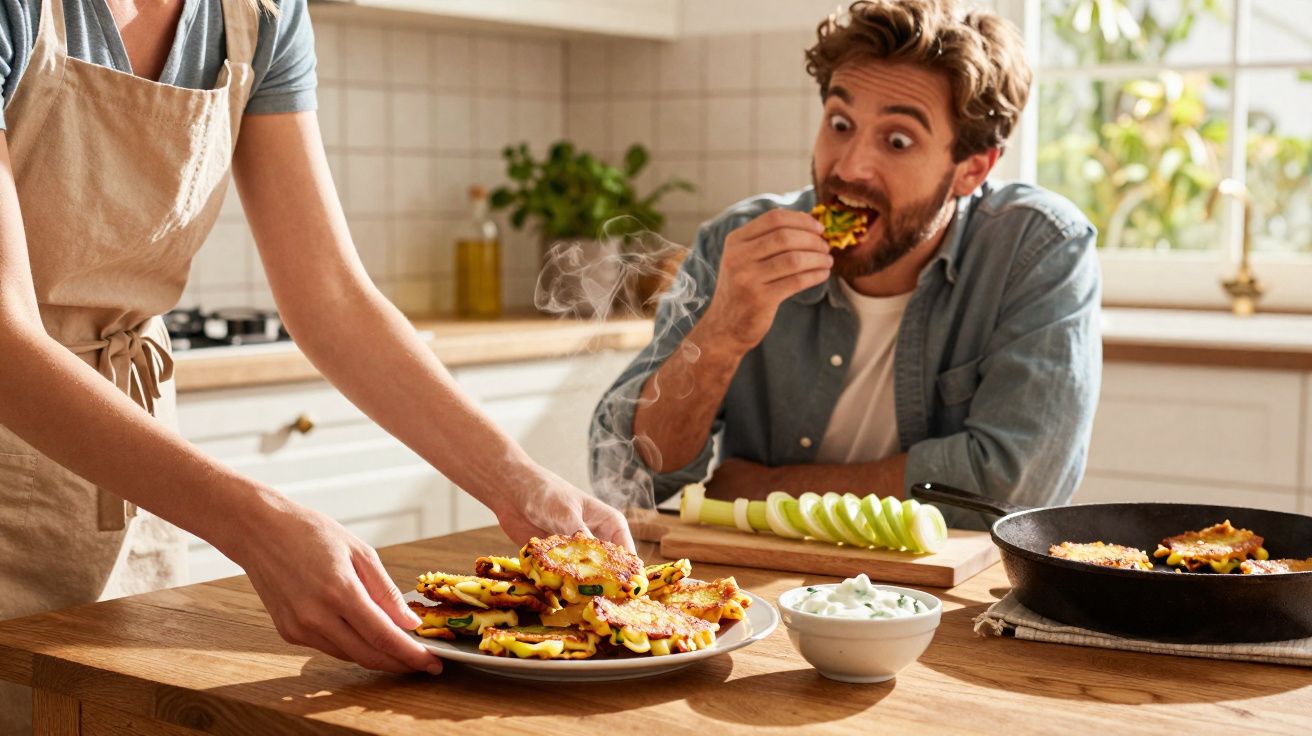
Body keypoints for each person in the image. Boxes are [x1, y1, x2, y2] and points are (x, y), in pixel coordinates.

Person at [0, 0, 631, 730]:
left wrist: (517, 482)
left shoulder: (259, 14)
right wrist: (255, 523)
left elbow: (330, 295)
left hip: (136, 471)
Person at [590, 0, 1101, 528]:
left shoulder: (1039, 250)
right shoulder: (735, 244)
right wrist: (722, 332)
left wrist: (767, 491)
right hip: (758, 589)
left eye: (897, 140)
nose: (850, 166)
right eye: (840, 123)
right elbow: (623, 470)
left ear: (971, 169)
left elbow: (1016, 483)